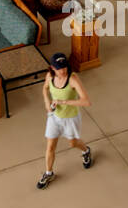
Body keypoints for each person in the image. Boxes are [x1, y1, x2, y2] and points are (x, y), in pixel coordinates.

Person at [37, 53, 92, 189]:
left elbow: (86, 102)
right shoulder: (49, 76)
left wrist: (63, 101)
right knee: (50, 146)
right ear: (52, 68)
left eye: (64, 67)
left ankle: (86, 151)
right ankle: (49, 173)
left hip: (70, 118)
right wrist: (46, 101)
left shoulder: (72, 79)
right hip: (54, 117)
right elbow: (45, 88)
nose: (63, 71)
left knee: (73, 143)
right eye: (59, 68)